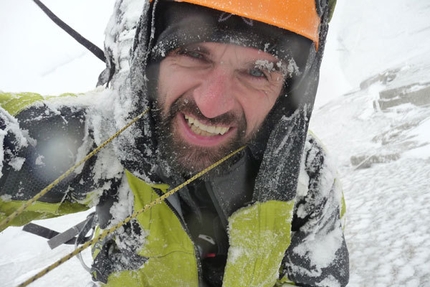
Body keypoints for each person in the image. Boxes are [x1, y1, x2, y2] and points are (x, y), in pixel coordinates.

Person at [0, 0, 349, 286]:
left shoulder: (307, 176)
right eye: (194, 53)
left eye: (257, 72)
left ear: (287, 91)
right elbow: (17, 145)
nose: (212, 104)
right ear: (153, 58)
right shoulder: (107, 136)